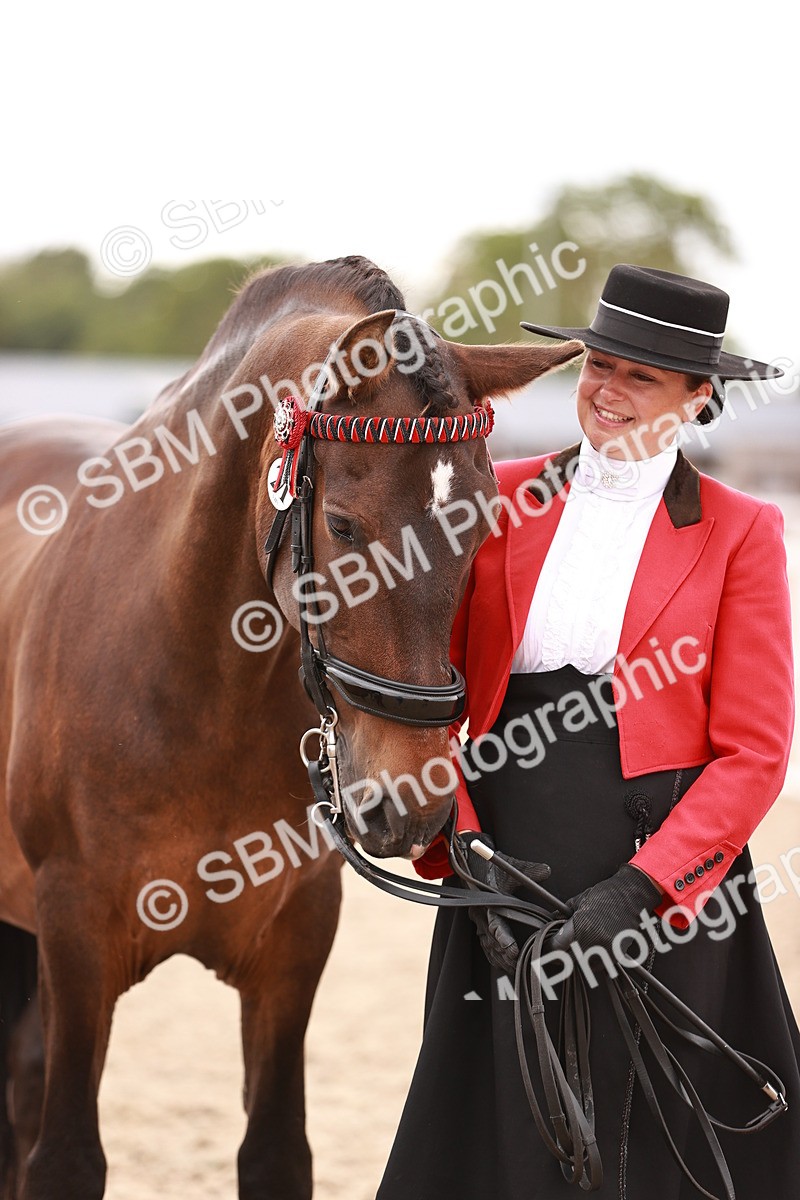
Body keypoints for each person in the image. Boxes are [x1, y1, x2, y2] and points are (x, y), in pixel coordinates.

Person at [377, 264, 800, 1199]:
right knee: (490, 1121)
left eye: (640, 376)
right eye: (598, 365)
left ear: (698, 397)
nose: (607, 390)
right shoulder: (495, 498)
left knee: (642, 1135)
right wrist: (467, 845)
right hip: (503, 873)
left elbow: (756, 754)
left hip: (655, 883)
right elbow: (435, 697)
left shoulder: (741, 532)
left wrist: (639, 892)